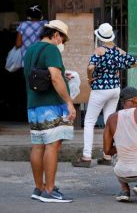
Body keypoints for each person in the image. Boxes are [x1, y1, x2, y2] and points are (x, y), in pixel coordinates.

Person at [72, 23, 137, 168]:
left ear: (99, 37)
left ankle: (86, 156)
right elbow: (136, 62)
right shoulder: (118, 51)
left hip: (100, 89)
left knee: (90, 121)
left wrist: (90, 78)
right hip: (115, 89)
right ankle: (107, 155)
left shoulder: (100, 50)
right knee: (109, 122)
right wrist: (118, 68)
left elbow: (90, 67)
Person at [23, 20, 76, 203]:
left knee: (38, 146)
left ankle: (39, 188)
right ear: (56, 34)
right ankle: (50, 190)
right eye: (62, 39)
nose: (62, 43)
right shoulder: (52, 49)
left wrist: (62, 76)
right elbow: (54, 77)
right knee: (53, 145)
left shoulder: (30, 50)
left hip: (34, 105)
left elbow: (39, 75)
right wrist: (69, 102)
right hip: (51, 105)